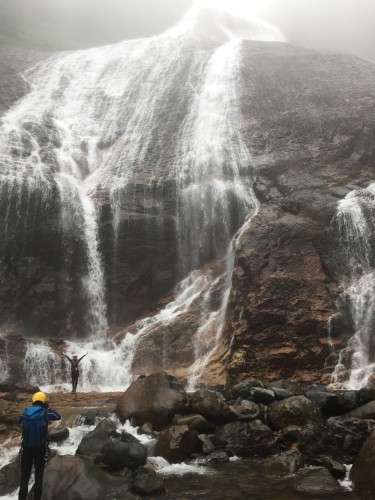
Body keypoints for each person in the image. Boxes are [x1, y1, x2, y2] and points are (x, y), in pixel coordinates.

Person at [16, 392, 61, 500]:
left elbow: (18, 421)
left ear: (33, 401)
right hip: (40, 449)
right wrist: (48, 408)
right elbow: (58, 416)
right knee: (38, 477)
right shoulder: (45, 413)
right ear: (43, 402)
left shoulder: (26, 412)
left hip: (27, 448)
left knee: (24, 478)